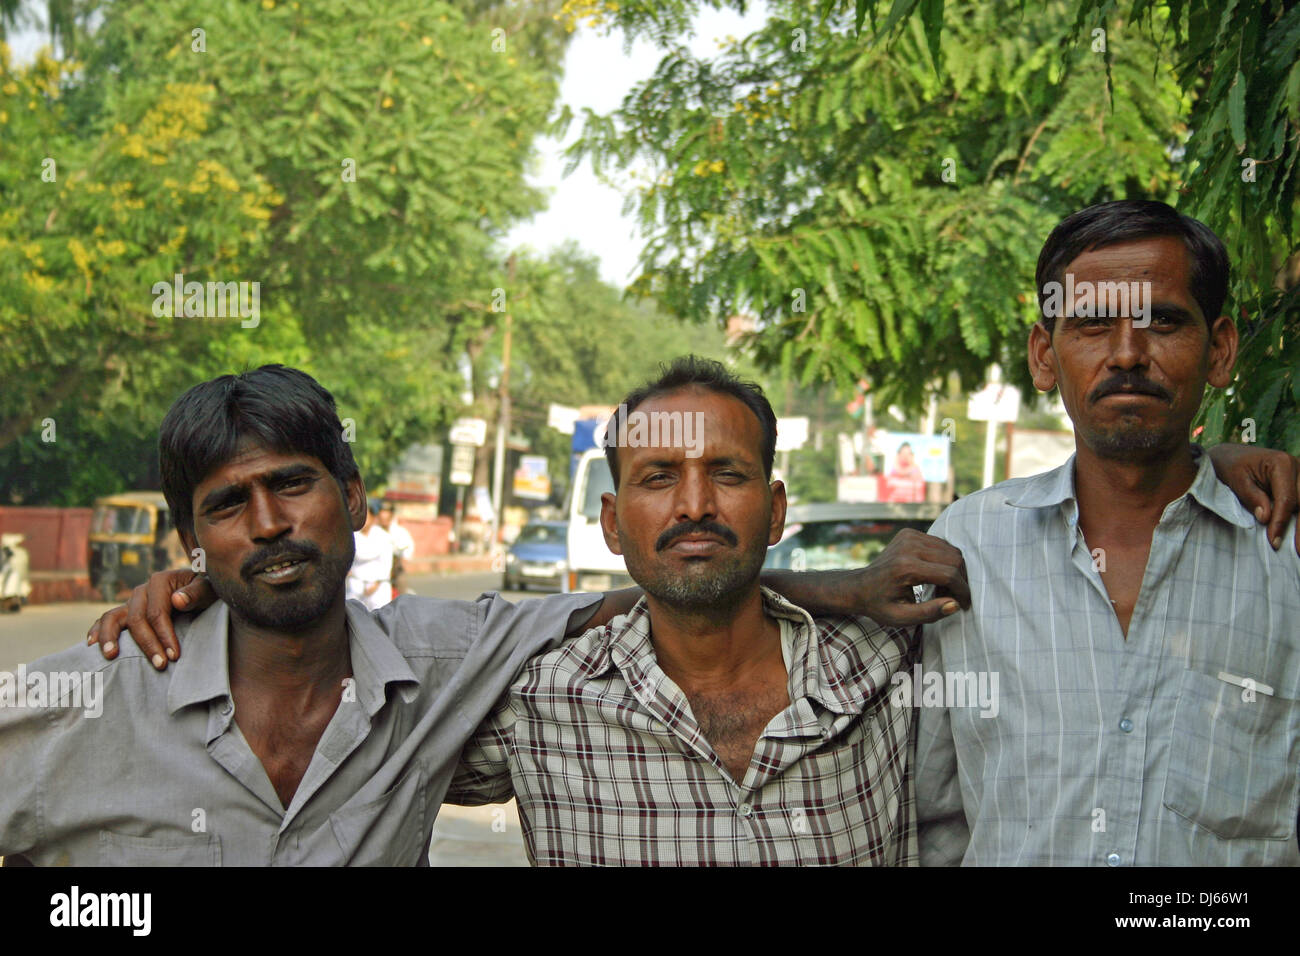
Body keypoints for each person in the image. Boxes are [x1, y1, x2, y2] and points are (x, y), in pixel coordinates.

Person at [445, 356, 1300, 865]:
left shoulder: (887, 669)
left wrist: (1194, 469)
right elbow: (351, 750)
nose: (694, 506)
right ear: (609, 522)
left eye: (729, 476)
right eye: (658, 478)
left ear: (775, 512)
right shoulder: (538, 704)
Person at [0, 366, 612, 865]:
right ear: (192, 538)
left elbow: (667, 607)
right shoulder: (89, 697)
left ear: (352, 498)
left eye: (291, 484)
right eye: (229, 504)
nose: (268, 525)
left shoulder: (438, 663)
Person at [915, 199, 1300, 866]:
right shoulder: (967, 547)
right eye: (1093, 326)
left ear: (1221, 350)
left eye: (1165, 322)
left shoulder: (1284, 550)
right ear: (1045, 355)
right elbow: (936, 812)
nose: (1128, 353)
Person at [347, 501, 394, 610]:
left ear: (373, 518)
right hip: (357, 584)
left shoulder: (383, 537)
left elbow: (387, 563)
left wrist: (376, 584)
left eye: (367, 516)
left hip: (379, 585)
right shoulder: (352, 536)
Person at [377, 501, 415, 596]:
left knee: (402, 594)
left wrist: (401, 562)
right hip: (378, 570)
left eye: (386, 516)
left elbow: (407, 550)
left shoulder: (400, 533)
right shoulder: (374, 532)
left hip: (396, 569)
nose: (384, 519)